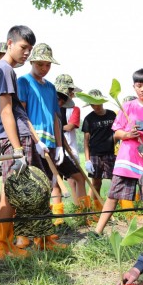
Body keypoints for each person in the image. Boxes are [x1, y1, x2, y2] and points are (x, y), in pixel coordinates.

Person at [0, 25, 47, 257]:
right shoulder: (4, 70)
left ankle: (5, 243)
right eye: (23, 47)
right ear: (9, 43)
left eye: (29, 49)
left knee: (11, 192)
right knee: (13, 192)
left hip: (16, 135)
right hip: (13, 137)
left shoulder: (4, 70)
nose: (26, 53)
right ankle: (3, 246)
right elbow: (5, 112)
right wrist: (18, 149)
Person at [94, 68, 143, 235]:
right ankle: (97, 232)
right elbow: (117, 132)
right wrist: (128, 134)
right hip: (127, 160)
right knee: (113, 195)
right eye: (139, 85)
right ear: (134, 87)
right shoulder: (127, 107)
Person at [16, 44, 73, 249]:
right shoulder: (23, 82)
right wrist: (36, 141)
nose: (44, 68)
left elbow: (56, 118)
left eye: (48, 64)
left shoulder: (50, 87)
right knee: (29, 190)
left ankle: (43, 237)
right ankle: (23, 235)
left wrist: (59, 146)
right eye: (40, 64)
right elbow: (21, 115)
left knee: (46, 189)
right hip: (32, 142)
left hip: (49, 143)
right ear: (32, 62)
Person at [54, 74, 91, 218]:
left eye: (68, 91)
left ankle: (82, 213)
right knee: (55, 183)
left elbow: (70, 126)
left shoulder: (73, 108)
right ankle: (57, 219)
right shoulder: (49, 106)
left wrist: (59, 130)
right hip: (52, 147)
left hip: (68, 148)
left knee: (78, 178)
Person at [82, 89, 117, 212]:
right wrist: (87, 160)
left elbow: (117, 133)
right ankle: (95, 210)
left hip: (110, 154)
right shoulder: (88, 119)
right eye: (92, 104)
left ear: (101, 101)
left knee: (115, 181)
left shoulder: (112, 115)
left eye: (96, 103)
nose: (95, 106)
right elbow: (86, 141)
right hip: (95, 155)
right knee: (96, 183)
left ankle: (115, 208)